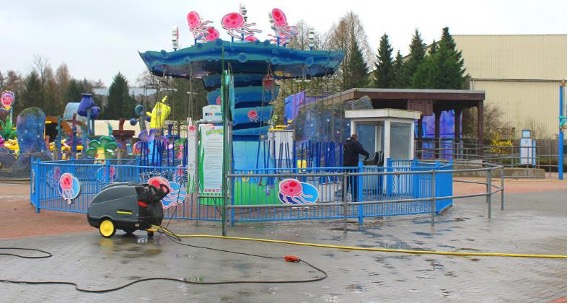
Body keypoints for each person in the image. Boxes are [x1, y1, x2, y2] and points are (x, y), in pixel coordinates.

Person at [342, 134, 370, 202]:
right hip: (353, 166)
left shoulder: (347, 144)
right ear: (356, 139)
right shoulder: (355, 144)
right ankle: (354, 198)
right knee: (354, 182)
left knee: (346, 182)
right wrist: (367, 154)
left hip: (345, 166)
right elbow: (362, 150)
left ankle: (343, 197)